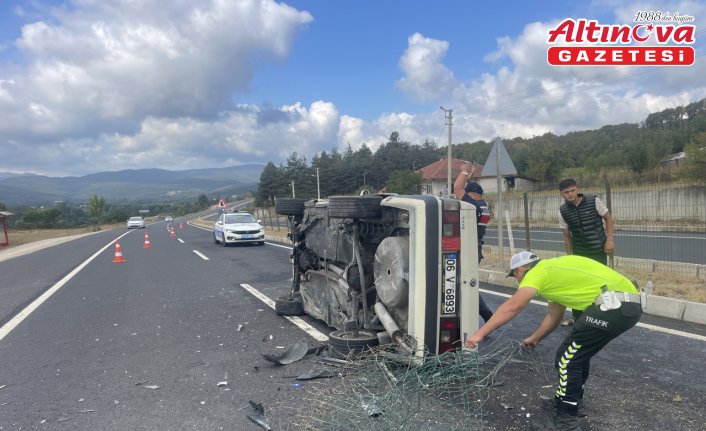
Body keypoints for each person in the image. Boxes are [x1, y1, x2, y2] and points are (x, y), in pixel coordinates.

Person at [464, 251, 643, 431]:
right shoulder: (554, 273)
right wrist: (535, 338)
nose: (517, 280)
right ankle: (570, 400)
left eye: (514, 276)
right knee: (578, 354)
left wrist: (479, 334)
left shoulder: (537, 273)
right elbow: (554, 316)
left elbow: (512, 307)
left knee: (566, 359)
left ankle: (566, 421)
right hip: (629, 306)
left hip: (611, 306)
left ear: (520, 270)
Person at [558, 178, 615, 326]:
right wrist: (569, 257)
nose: (570, 194)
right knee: (578, 284)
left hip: (598, 249)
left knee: (601, 283)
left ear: (577, 189)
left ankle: (604, 316)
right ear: (561, 194)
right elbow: (566, 235)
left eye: (572, 190)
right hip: (579, 253)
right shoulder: (563, 211)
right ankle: (578, 318)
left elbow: (609, 219)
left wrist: (609, 240)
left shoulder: (593, 201)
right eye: (566, 192)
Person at [454, 163, 493, 323]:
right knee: (464, 283)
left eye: (467, 194)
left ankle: (486, 315)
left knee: (463, 284)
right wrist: (469, 177)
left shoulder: (473, 206)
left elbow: (457, 188)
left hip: (470, 249)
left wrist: (464, 171)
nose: (462, 198)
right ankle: (483, 315)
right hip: (476, 248)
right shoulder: (483, 206)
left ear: (473, 195)